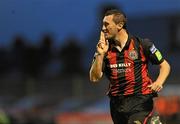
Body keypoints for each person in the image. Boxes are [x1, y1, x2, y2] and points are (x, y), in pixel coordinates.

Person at [89, 9, 170, 124]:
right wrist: (100, 55)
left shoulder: (142, 44)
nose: (103, 28)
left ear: (120, 25)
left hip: (140, 102)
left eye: (106, 24)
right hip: (117, 106)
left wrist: (159, 82)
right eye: (103, 24)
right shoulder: (103, 50)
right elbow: (94, 78)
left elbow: (165, 65)